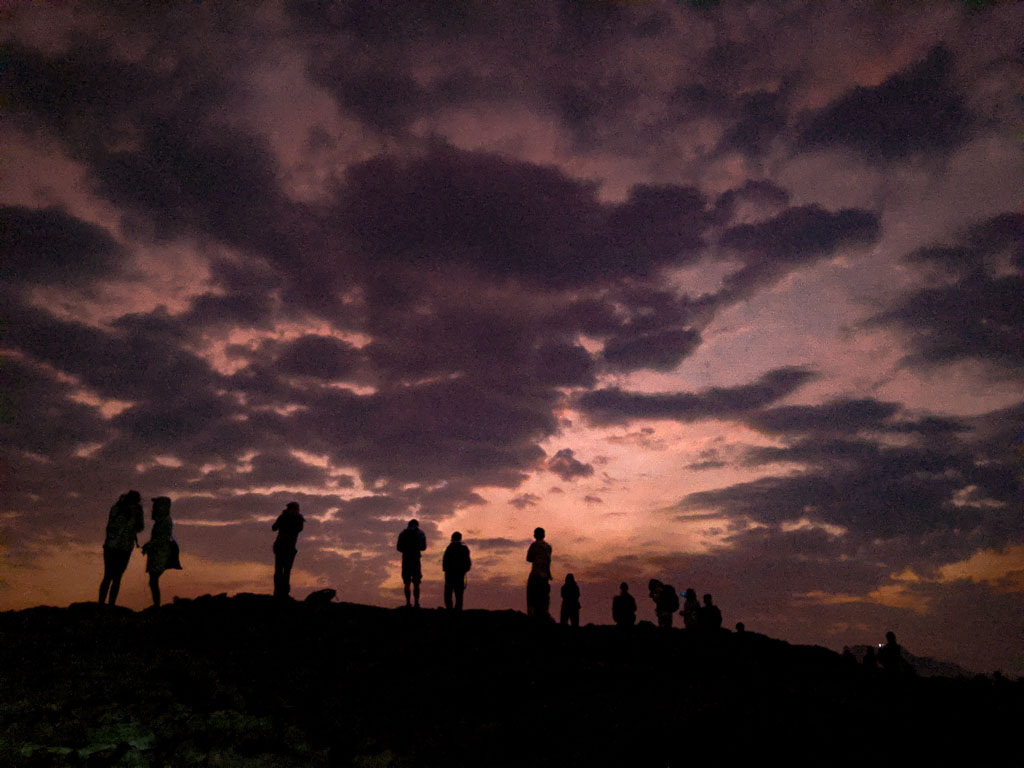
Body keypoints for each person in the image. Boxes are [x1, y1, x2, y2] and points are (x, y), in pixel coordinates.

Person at [98, 490, 145, 606]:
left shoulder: (120, 509)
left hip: (119, 547)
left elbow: (139, 527)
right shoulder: (118, 509)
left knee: (113, 577)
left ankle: (107, 605)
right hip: (116, 547)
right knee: (111, 576)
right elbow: (138, 528)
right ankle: (104, 604)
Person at [141, 496, 180, 607]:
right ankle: (156, 604)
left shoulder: (164, 521)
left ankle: (156, 605)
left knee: (153, 581)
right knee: (153, 581)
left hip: (160, 554)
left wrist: (149, 545)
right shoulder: (163, 521)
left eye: (156, 505)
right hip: (158, 553)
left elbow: (161, 538)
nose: (153, 508)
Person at [272, 501, 305, 599]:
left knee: (285, 571)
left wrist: (286, 518)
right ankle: (279, 593)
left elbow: (298, 529)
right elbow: (274, 527)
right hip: (282, 546)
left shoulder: (296, 519)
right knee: (280, 570)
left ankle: (282, 593)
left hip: (288, 547)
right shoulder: (288, 518)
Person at [396, 519, 427, 608]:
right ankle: (416, 603)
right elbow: (423, 547)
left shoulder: (403, 533)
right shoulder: (421, 533)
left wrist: (406, 550)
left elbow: (398, 548)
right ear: (417, 525)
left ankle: (408, 602)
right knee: (416, 583)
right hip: (416, 559)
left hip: (406, 559)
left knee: (407, 583)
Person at [526, 527, 553, 620]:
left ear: (535, 535)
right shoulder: (548, 547)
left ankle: (533, 617)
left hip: (535, 574)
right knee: (544, 598)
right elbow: (549, 561)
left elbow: (529, 558)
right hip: (545, 575)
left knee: (532, 597)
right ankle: (544, 615)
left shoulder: (534, 545)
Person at [442, 531, 471, 611]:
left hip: (450, 574)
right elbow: (468, 562)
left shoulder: (449, 548)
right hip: (460, 574)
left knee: (448, 593)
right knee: (459, 594)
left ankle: (450, 610)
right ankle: (458, 611)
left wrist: (445, 570)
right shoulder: (464, 548)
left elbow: (445, 561)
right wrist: (465, 570)